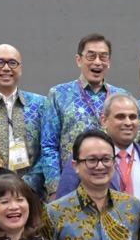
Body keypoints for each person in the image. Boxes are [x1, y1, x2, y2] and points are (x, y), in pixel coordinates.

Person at [40, 33, 130, 198]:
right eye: (91, 56)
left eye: (103, 57)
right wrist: (55, 188)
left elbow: (131, 142)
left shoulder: (121, 96)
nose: (97, 62)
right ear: (78, 60)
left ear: (108, 62)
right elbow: (48, 146)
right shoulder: (59, 94)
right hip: (70, 186)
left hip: (114, 183)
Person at [56, 93, 140, 202]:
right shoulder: (83, 159)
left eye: (133, 117)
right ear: (104, 120)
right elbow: (63, 206)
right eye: (120, 117)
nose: (128, 122)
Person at [0, 43, 47, 197]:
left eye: (12, 63)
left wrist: (28, 184)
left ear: (20, 68)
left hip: (33, 194)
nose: (6, 68)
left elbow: (48, 149)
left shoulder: (41, 104)